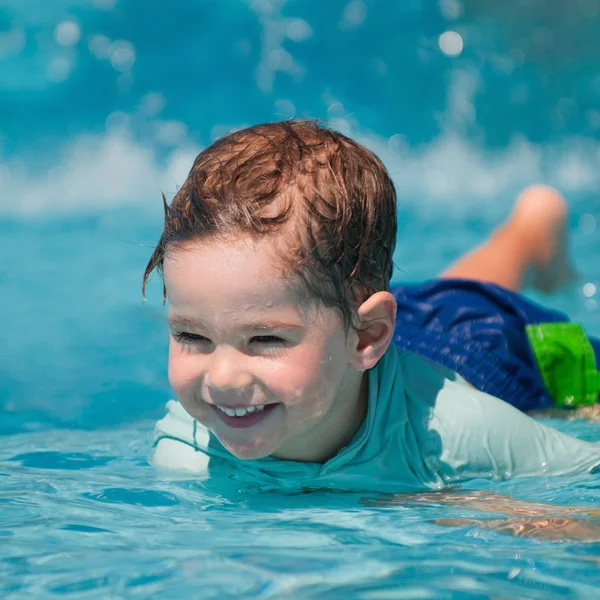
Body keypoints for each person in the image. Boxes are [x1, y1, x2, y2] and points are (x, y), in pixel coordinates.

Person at [144, 120, 600, 493]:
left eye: (264, 338)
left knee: (484, 314)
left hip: (487, 351)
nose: (222, 378)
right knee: (456, 289)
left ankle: (532, 231)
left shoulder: (460, 435)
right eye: (192, 335)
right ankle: (533, 228)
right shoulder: (188, 445)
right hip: (366, 321)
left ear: (367, 337)